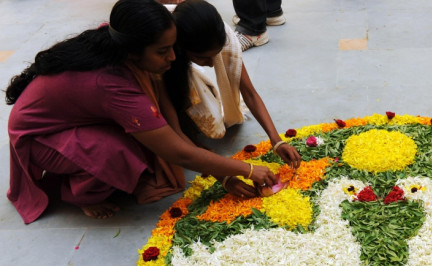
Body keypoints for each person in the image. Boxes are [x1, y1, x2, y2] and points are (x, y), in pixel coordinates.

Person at [5, 0, 278, 224]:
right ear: (134, 51)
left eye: (174, 48)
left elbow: (169, 126)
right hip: (39, 138)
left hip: (70, 120)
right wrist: (248, 169)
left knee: (148, 142)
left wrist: (225, 174)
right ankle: (81, 195)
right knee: (118, 152)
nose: (173, 58)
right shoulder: (113, 84)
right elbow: (177, 151)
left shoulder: (125, 50)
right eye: (163, 51)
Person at [165, 0, 300, 198]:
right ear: (181, 49)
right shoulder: (164, 57)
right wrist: (225, 176)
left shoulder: (222, 36)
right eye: (203, 59)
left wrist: (277, 140)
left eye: (215, 55)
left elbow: (250, 93)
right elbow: (175, 134)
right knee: (169, 168)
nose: (212, 64)